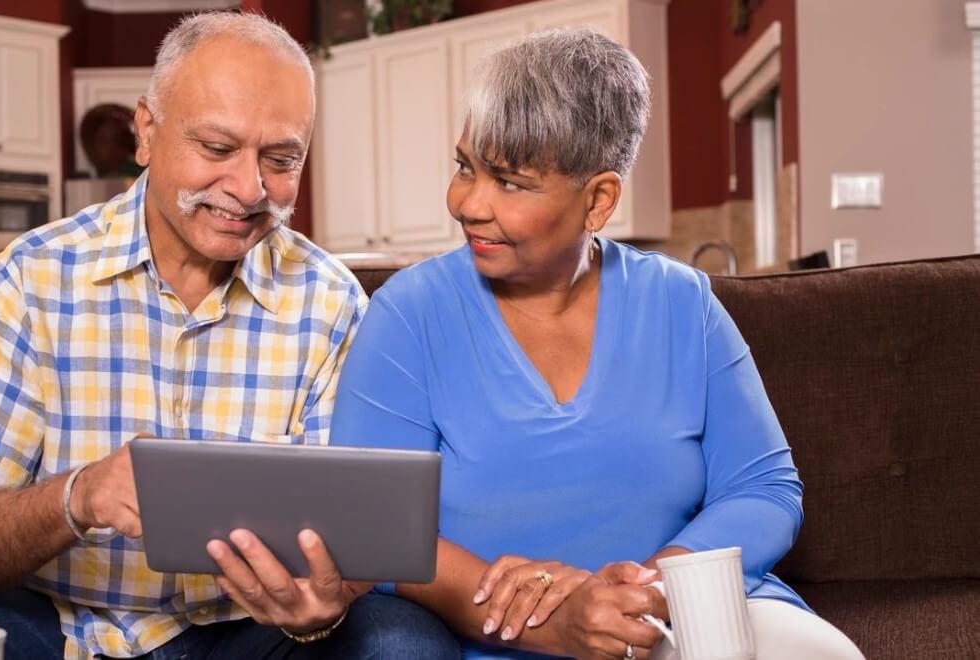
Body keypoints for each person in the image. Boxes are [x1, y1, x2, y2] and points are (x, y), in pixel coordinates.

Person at [0, 12, 458, 660]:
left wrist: (319, 610)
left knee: (404, 644)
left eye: (281, 159)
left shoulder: (332, 303)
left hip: (250, 635)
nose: (249, 190)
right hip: (57, 627)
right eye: (217, 149)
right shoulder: (29, 279)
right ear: (147, 133)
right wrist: (80, 495)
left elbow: (346, 540)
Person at [328, 28, 866, 660]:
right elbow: (374, 530)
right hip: (491, 640)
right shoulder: (408, 314)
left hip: (677, 622)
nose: (468, 203)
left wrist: (646, 592)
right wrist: (554, 621)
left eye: (509, 182)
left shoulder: (682, 304)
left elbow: (765, 488)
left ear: (599, 200)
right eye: (465, 167)